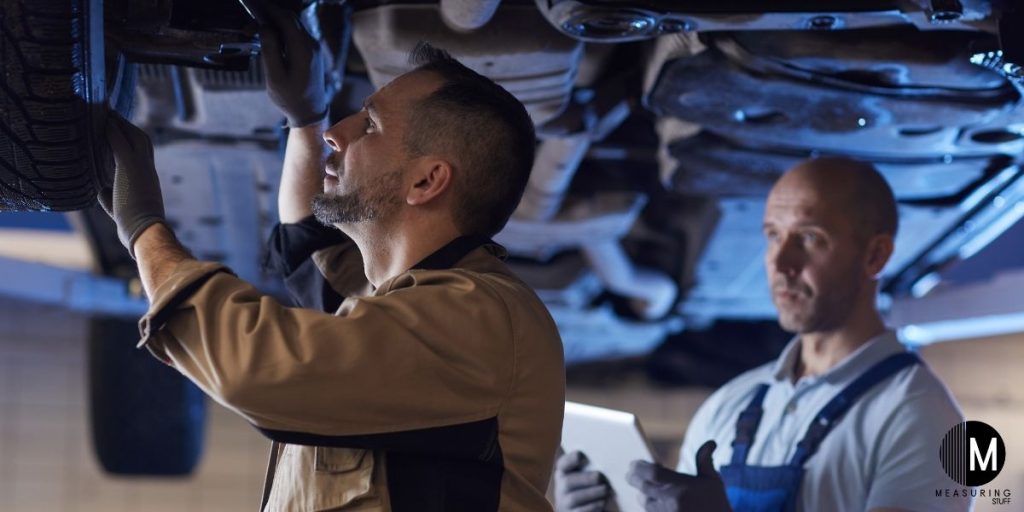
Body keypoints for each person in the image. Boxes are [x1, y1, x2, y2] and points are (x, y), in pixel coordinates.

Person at [98, 1, 565, 510]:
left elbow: (255, 368)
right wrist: (305, 118)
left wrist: (143, 228)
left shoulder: (478, 319)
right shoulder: (410, 306)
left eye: (370, 126)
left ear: (427, 181)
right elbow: (307, 251)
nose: (336, 134)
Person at [556, 157, 969, 512]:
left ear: (875, 255)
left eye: (810, 238)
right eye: (773, 235)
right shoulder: (729, 404)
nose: (780, 262)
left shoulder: (923, 417)